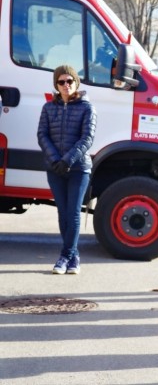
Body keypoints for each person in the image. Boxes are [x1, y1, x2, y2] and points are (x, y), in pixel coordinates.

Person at [37, 65, 96, 275]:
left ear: (76, 83)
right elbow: (42, 135)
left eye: (69, 81)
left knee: (73, 213)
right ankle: (74, 256)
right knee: (62, 213)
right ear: (56, 84)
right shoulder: (48, 108)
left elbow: (87, 138)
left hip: (79, 168)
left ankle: (65, 256)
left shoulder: (87, 108)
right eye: (61, 82)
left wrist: (68, 160)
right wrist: (55, 160)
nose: (66, 85)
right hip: (55, 169)